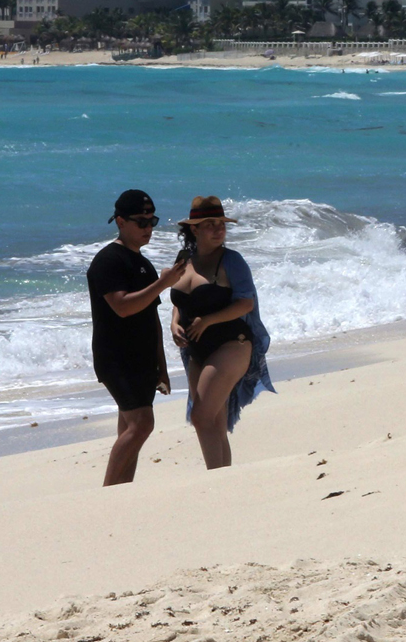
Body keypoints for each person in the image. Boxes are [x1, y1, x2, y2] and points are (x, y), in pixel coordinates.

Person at [87, 189, 190, 486]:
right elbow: (122, 306)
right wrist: (163, 283)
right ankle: (106, 491)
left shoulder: (142, 263)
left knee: (130, 428)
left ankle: (121, 491)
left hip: (142, 358)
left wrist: (162, 366)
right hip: (116, 358)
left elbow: (150, 318)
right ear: (120, 221)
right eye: (141, 222)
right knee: (142, 424)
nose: (148, 228)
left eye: (152, 221)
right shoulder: (107, 261)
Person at [169, 196, 274, 468]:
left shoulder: (232, 261)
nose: (218, 230)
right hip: (195, 348)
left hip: (232, 343)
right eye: (210, 224)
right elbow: (180, 300)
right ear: (194, 229)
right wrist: (174, 323)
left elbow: (245, 303)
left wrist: (208, 320)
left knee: (201, 416)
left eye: (221, 225)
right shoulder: (183, 259)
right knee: (213, 419)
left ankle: (214, 478)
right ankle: (224, 477)